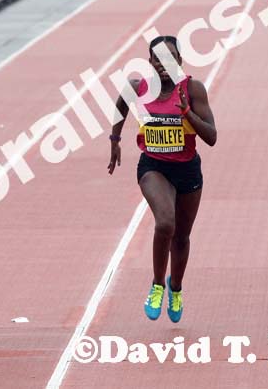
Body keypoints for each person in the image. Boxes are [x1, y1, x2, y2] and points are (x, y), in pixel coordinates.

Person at [107, 36, 217, 322]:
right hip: (153, 167)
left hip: (187, 170)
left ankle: (175, 288)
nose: (164, 64)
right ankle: (157, 285)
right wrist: (115, 139)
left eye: (170, 58)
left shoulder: (193, 89)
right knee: (166, 222)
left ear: (179, 61)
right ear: (150, 62)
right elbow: (121, 104)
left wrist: (188, 113)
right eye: (158, 59)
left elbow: (211, 137)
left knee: (181, 237)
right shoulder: (138, 87)